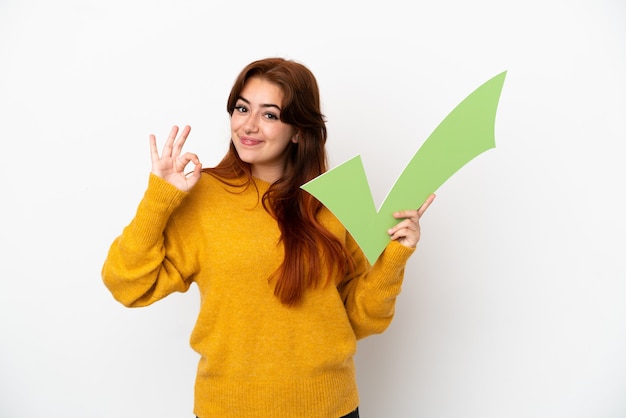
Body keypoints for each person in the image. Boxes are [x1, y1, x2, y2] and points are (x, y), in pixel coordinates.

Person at [102, 57, 435, 418]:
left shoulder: (336, 200)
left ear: (298, 130)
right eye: (242, 108)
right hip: (227, 408)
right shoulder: (203, 196)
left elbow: (363, 320)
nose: (248, 125)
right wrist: (158, 200)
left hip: (328, 407)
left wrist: (394, 259)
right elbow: (127, 285)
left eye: (270, 114)